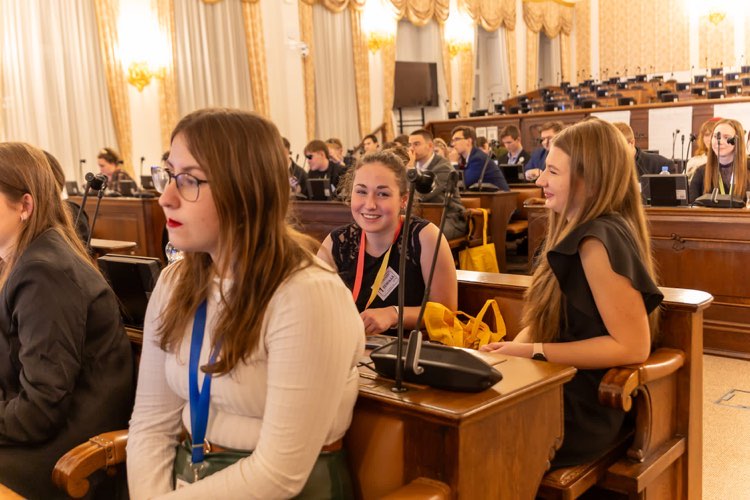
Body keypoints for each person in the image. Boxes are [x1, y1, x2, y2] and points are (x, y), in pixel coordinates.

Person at [127, 108, 363, 498]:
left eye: (188, 181)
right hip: (191, 479)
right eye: (169, 175)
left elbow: (279, 474)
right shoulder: (174, 282)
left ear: (244, 189)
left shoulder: (306, 294)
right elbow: (152, 422)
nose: (165, 198)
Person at [480, 119, 663, 468]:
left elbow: (632, 346)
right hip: (557, 380)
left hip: (584, 402)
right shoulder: (576, 230)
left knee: (473, 438)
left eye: (552, 171)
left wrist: (531, 352)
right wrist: (508, 358)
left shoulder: (598, 241)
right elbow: (550, 319)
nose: (541, 179)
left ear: (589, 181)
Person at [0, 142, 133, 498]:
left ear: (25, 206)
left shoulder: (44, 270)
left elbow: (40, 411)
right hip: (42, 431)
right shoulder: (23, 257)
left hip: (73, 451)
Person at [317, 150, 457, 336]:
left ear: (403, 200)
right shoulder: (337, 242)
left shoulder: (426, 237)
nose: (370, 204)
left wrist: (394, 314)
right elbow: (315, 304)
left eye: (382, 194)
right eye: (361, 191)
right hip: (353, 350)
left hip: (412, 353)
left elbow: (447, 314)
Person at [408, 128, 467, 240]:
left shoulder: (443, 167)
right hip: (423, 217)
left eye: (416, 144)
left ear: (430, 146)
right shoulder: (413, 166)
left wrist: (410, 170)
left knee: (427, 237)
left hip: (449, 218)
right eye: (410, 144)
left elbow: (422, 196)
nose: (411, 148)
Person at [689, 118, 749, 203]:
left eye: (726, 137)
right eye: (716, 136)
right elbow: (691, 206)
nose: (719, 141)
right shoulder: (701, 171)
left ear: (737, 141)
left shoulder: (748, 169)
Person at [451, 125, 509, 191]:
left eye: (457, 139)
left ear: (469, 141)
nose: (453, 144)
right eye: (452, 140)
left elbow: (462, 184)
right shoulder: (467, 158)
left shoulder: (478, 158)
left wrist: (454, 163)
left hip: (500, 199)